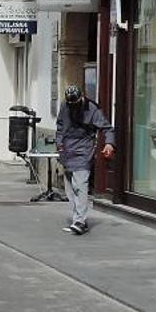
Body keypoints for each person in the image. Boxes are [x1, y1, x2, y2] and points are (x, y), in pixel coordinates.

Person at [55, 84, 115, 236]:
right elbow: (60, 125)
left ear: (81, 98)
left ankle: (80, 222)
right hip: (67, 149)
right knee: (69, 187)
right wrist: (59, 143)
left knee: (80, 184)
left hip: (84, 148)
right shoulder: (65, 105)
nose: (72, 106)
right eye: (70, 103)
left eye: (75, 103)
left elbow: (107, 127)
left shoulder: (92, 108)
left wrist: (109, 143)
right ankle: (78, 219)